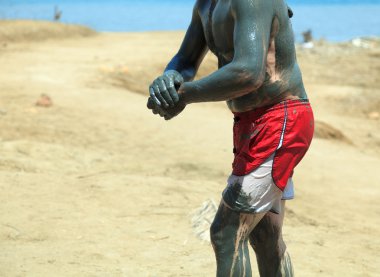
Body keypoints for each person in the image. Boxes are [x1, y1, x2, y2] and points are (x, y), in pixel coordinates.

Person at [147, 0, 314, 276]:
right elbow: (185, 60)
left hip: (280, 119)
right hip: (252, 123)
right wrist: (169, 78)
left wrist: (184, 95)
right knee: (265, 235)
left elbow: (248, 72)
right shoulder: (206, 5)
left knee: (227, 233)